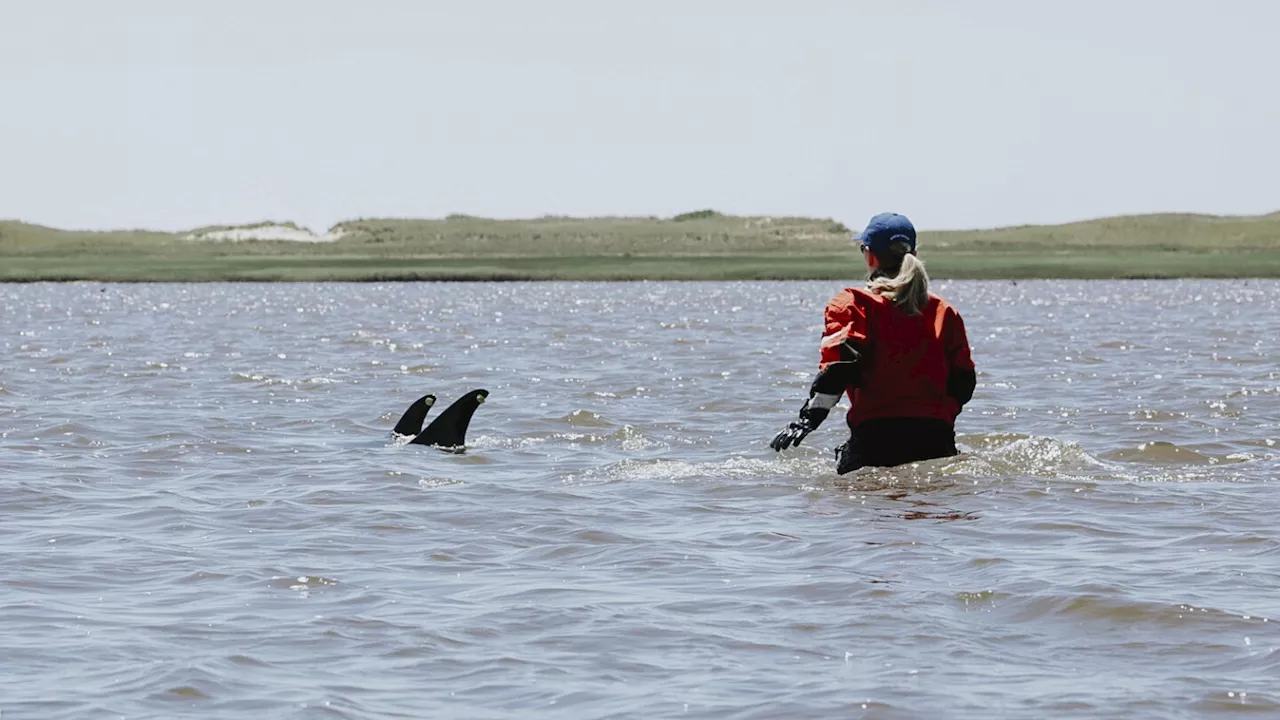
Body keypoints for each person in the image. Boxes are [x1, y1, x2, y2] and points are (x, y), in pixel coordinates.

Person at [770, 212, 976, 473]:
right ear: (914, 254)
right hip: (937, 440)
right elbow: (964, 382)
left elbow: (839, 368)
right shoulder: (944, 312)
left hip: (874, 442)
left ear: (869, 256)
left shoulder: (853, 305)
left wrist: (806, 421)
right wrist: (938, 417)